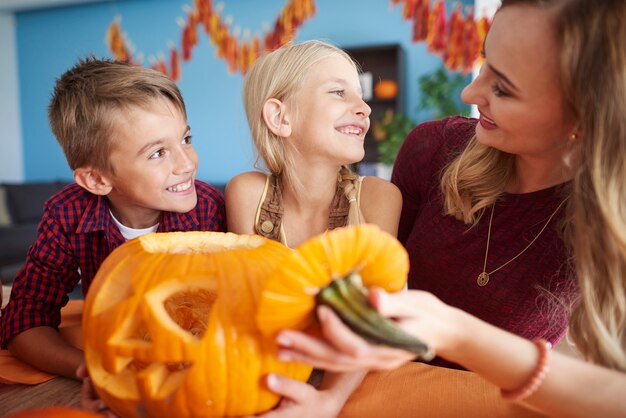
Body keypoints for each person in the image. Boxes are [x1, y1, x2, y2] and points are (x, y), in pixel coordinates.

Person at [273, 0, 626, 416]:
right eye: (485, 62)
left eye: (503, 88)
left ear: (583, 120)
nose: (469, 93)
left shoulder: (611, 220)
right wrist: (329, 398)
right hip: (386, 388)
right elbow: (376, 287)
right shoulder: (433, 149)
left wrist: (456, 332)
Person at [0, 57, 225, 379]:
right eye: (158, 153)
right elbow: (25, 318)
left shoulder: (211, 209)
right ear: (96, 180)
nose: (187, 163)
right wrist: (93, 370)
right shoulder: (66, 214)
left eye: (185, 140)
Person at [225, 40, 402, 417]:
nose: (365, 107)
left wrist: (329, 400)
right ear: (280, 117)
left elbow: (376, 321)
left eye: (360, 94)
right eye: (339, 92)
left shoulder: (379, 198)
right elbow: (249, 311)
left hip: (355, 378)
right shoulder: (246, 194)